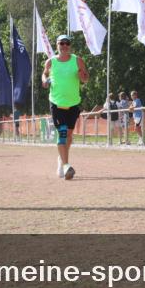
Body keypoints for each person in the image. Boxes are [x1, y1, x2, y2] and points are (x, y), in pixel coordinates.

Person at [42, 35, 89, 180]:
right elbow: (44, 74)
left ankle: (61, 159)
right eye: (61, 43)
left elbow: (85, 79)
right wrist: (45, 81)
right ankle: (66, 166)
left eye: (67, 43)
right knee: (62, 133)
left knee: (68, 136)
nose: (64, 46)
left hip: (73, 103)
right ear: (57, 45)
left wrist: (82, 76)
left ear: (70, 45)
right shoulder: (51, 62)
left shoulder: (77, 60)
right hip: (57, 103)